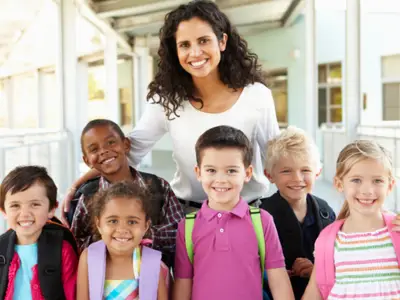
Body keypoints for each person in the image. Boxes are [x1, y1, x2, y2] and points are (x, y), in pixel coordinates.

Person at [61, 0, 279, 216]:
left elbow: (276, 159)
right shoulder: (166, 100)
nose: (195, 53)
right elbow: (130, 152)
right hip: (189, 215)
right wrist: (76, 186)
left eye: (203, 41)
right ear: (175, 51)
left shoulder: (256, 95)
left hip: (248, 214)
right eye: (184, 45)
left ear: (222, 41)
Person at [173, 126, 293, 300]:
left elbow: (279, 280)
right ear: (198, 173)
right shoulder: (187, 226)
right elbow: (183, 283)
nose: (221, 179)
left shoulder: (262, 221)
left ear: (247, 173)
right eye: (211, 170)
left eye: (231, 170)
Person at [69, 119, 184, 268]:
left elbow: (178, 234)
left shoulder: (158, 187)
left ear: (126, 145)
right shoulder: (87, 197)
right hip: (105, 283)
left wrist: (138, 235)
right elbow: (76, 244)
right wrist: (110, 238)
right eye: (94, 149)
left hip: (155, 279)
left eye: (111, 142)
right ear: (87, 161)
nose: (103, 151)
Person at [303, 140, 400, 300]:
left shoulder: (397, 233)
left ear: (390, 186)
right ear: (339, 184)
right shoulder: (328, 240)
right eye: (356, 180)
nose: (367, 190)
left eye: (377, 181)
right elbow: (314, 293)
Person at [260, 126, 336, 299]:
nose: (297, 178)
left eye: (305, 170)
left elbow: (337, 261)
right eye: (286, 171)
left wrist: (315, 270)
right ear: (269, 175)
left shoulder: (326, 213)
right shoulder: (261, 217)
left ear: (318, 172)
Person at [77, 181, 168, 300]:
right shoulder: (88, 257)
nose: (122, 229)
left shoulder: (152, 262)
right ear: (98, 224)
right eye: (113, 221)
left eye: (132, 222)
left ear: (146, 226)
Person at [0, 166, 78, 300]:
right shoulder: (2, 248)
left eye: (35, 204)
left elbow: (72, 294)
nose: (25, 214)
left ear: (51, 209)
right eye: (15, 205)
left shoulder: (62, 250)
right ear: (3, 211)